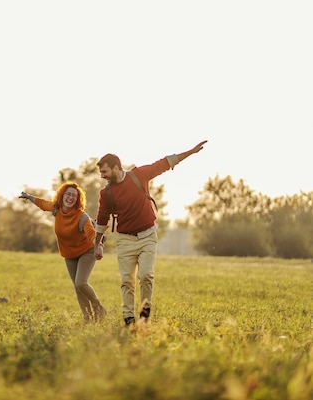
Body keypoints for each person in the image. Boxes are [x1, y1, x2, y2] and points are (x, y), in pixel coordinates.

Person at [94, 140, 207, 327]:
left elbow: (164, 163)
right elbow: (102, 219)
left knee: (146, 275)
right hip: (125, 240)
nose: (102, 176)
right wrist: (97, 243)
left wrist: (191, 152)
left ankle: (144, 315)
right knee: (126, 281)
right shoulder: (105, 193)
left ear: (116, 168)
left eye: (104, 172)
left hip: (147, 235)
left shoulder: (139, 175)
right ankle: (129, 320)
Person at [20, 181, 107, 323]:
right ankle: (88, 319)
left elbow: (91, 234)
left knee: (81, 283)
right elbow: (43, 204)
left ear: (77, 199)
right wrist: (29, 197)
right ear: (62, 195)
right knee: (78, 289)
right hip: (70, 255)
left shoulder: (82, 216)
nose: (70, 197)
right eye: (68, 194)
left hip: (87, 251)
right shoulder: (56, 209)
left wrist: (99, 246)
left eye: (74, 195)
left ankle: (99, 308)